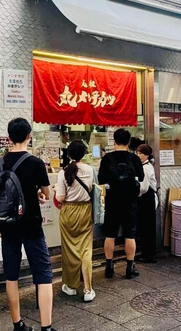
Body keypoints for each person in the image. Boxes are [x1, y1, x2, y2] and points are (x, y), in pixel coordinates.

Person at [0, 118, 75, 331]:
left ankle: (18, 328)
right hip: (30, 224)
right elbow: (45, 191)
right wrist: (39, 196)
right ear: (29, 136)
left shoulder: (2, 161)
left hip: (8, 224)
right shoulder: (35, 162)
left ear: (9, 138)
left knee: (11, 275)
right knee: (43, 275)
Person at [98, 129, 144, 280]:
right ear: (129, 142)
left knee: (110, 234)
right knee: (129, 235)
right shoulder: (134, 158)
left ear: (114, 141)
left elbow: (101, 180)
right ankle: (129, 268)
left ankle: (109, 267)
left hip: (112, 201)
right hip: (130, 202)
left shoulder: (107, 158)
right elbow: (142, 177)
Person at [55, 140, 95, 302]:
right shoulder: (90, 169)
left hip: (68, 211)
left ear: (69, 154)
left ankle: (70, 286)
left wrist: (56, 190)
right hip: (85, 210)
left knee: (69, 249)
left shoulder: (63, 173)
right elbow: (92, 188)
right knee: (85, 249)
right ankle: (87, 289)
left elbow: (60, 197)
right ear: (84, 154)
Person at [136, 144, 158, 263]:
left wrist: (134, 194)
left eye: (141, 153)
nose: (138, 155)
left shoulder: (146, 168)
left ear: (147, 155)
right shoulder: (144, 166)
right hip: (145, 199)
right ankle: (147, 253)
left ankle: (149, 255)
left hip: (147, 199)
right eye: (137, 153)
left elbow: (143, 188)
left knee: (147, 228)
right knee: (145, 227)